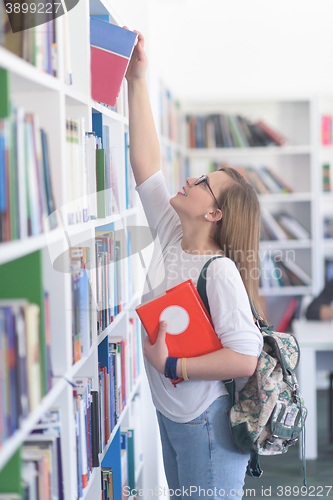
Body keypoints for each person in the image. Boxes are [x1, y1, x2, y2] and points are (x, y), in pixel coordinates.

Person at [125, 30, 264, 500]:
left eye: (204, 182)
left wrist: (174, 364)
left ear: (214, 214)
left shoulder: (219, 270)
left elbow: (245, 357)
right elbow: (147, 166)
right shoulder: (172, 235)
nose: (190, 178)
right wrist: (136, 79)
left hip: (206, 423)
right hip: (174, 414)